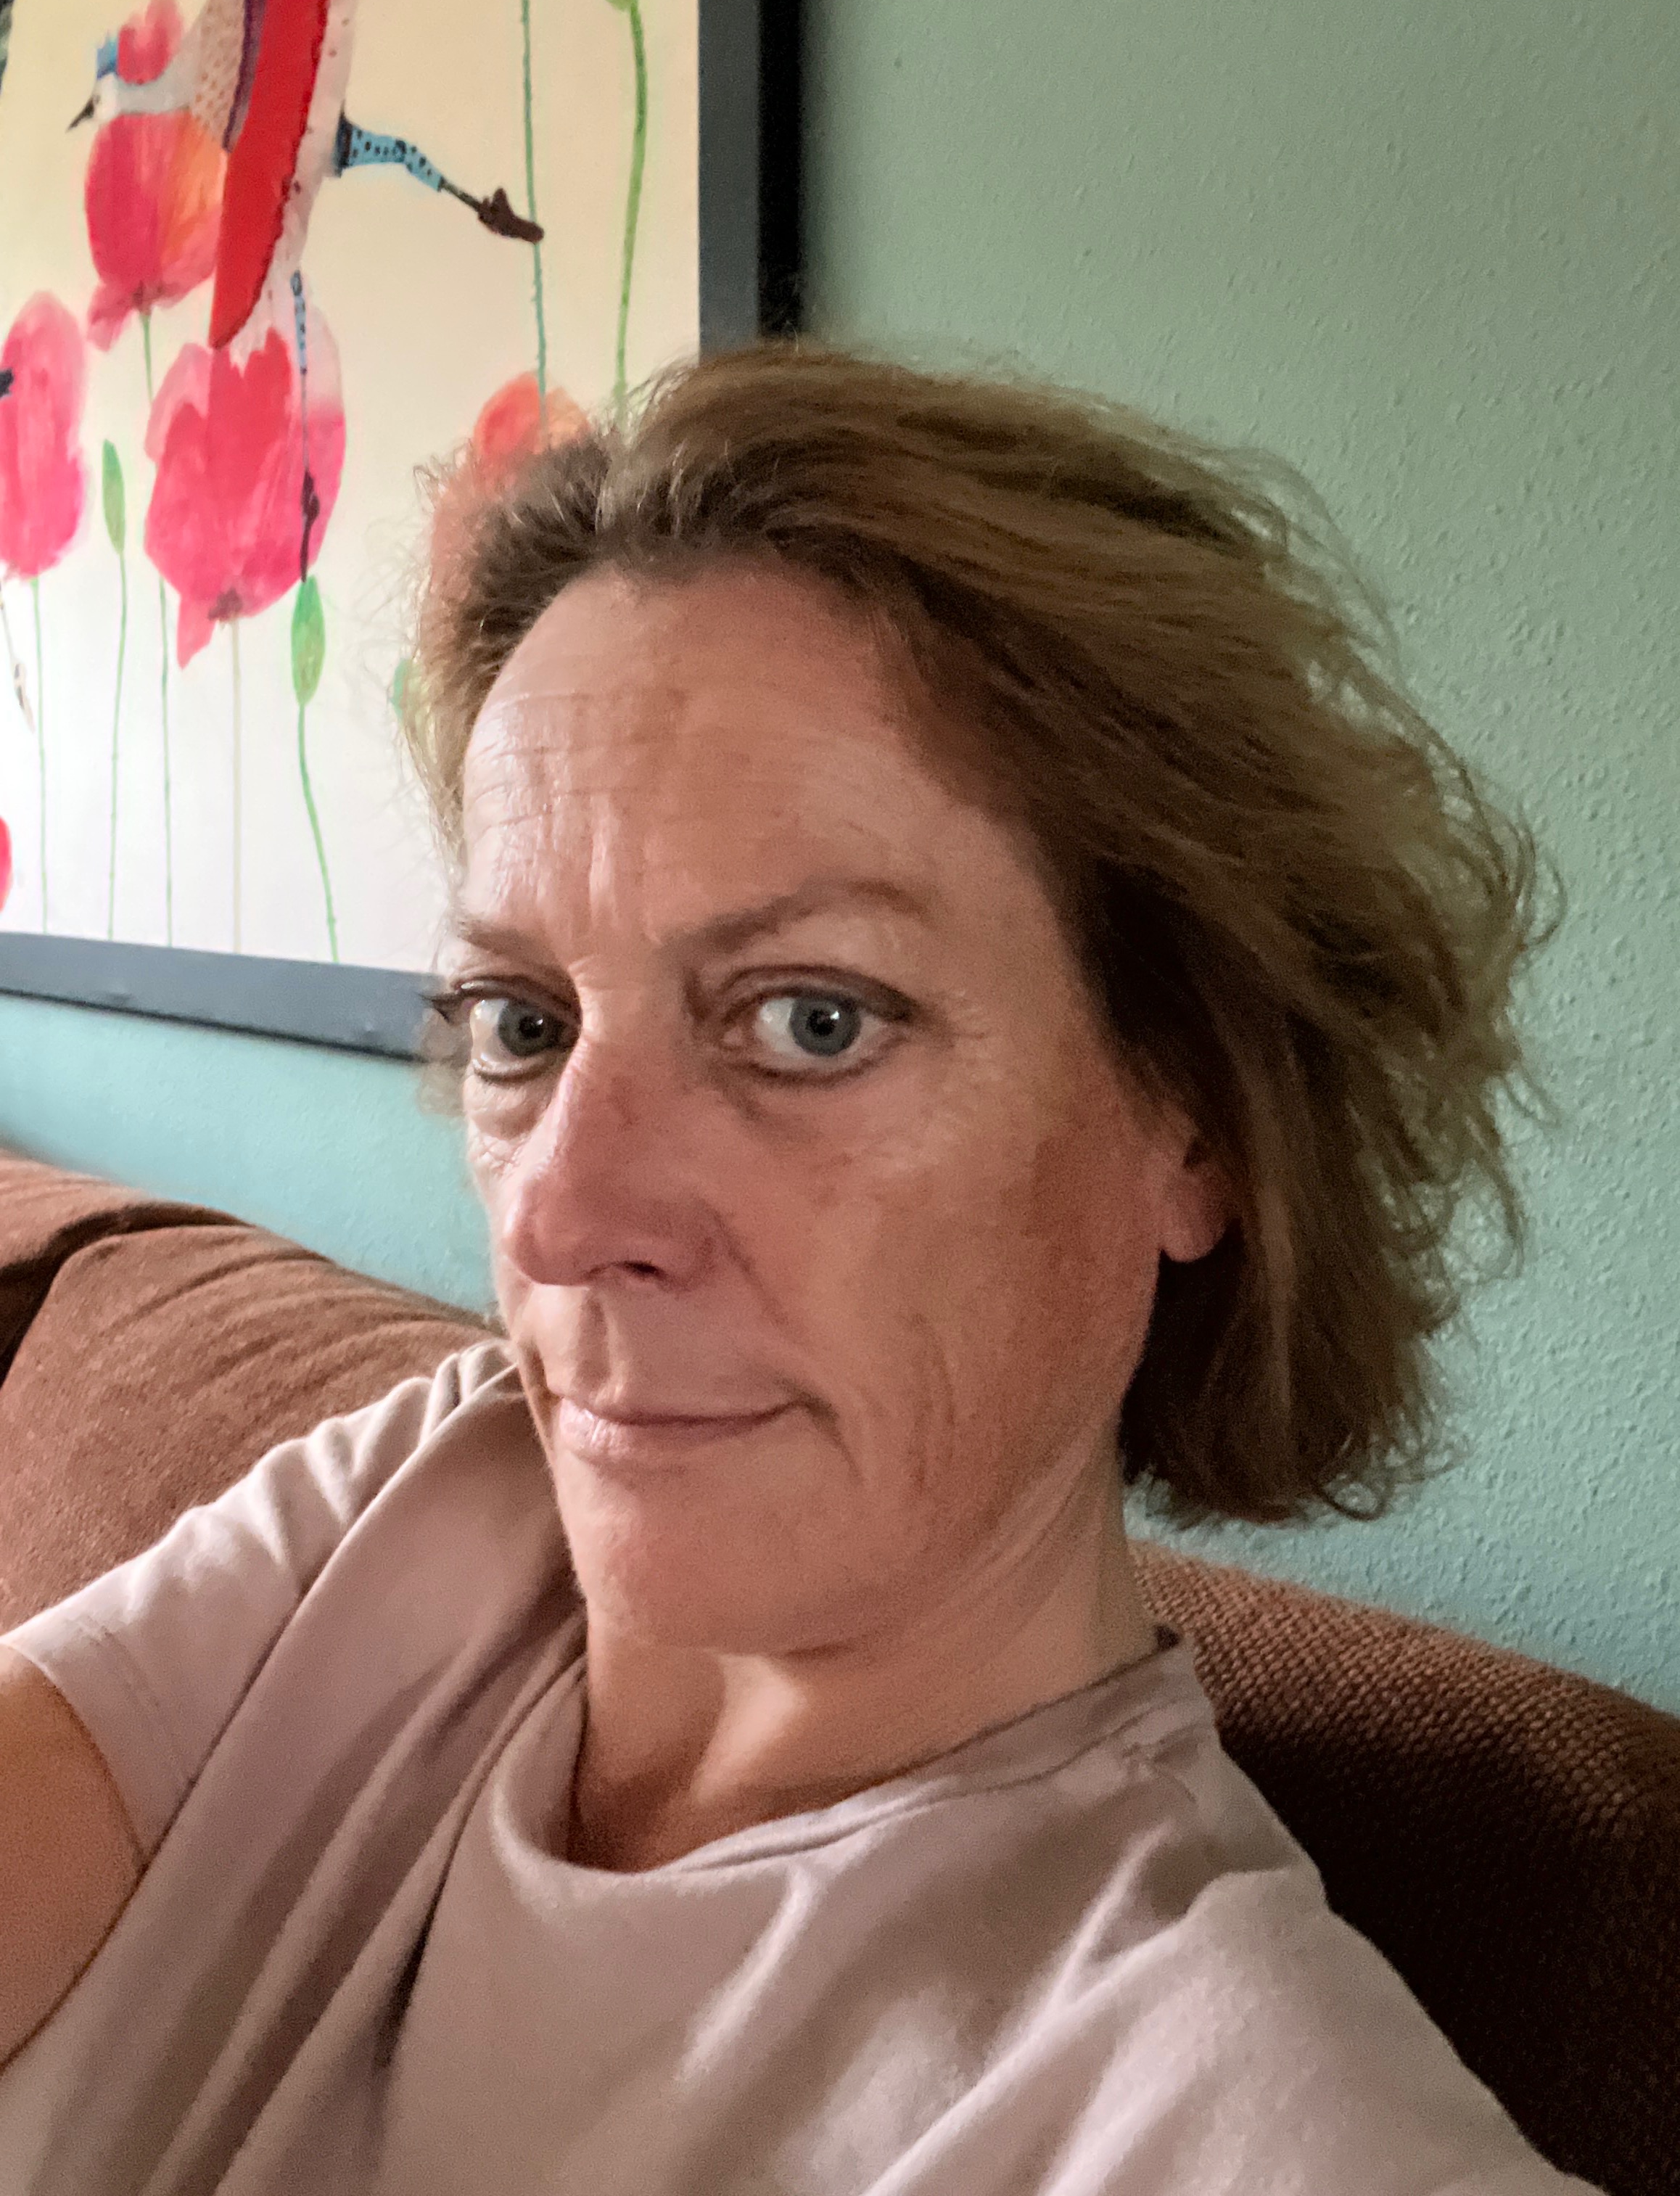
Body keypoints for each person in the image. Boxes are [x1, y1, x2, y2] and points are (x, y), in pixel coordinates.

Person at [0, 342, 1589, 2194]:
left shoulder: (1230, 2116)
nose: (555, 1217)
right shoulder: (434, 1499)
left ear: (1203, 1116)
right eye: (523, 1019)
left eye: (811, 1020)